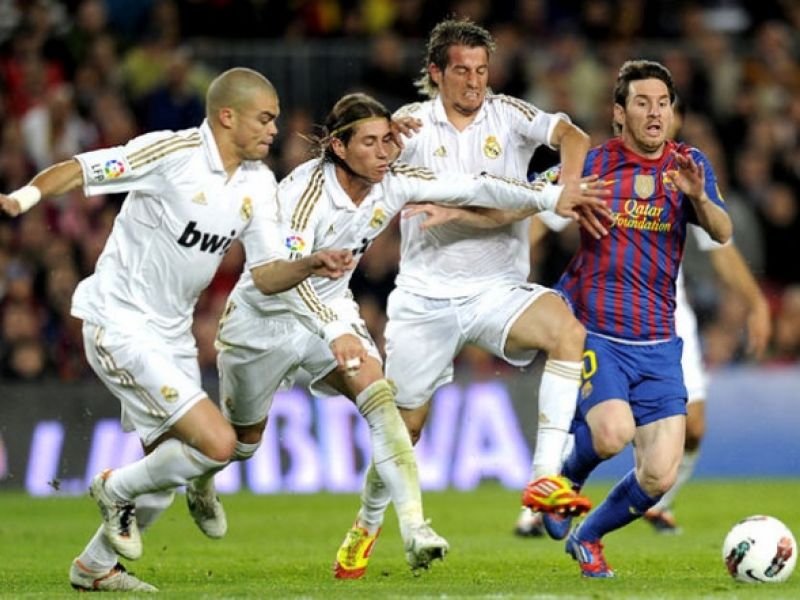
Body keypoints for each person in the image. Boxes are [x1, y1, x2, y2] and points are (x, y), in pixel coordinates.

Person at [186, 91, 612, 579]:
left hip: (331, 310)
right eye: (370, 143)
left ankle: (411, 529)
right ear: (340, 147)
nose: (384, 152)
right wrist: (333, 328)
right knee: (240, 443)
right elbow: (282, 277)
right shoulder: (303, 194)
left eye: (387, 141)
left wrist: (549, 197)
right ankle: (199, 478)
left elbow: (476, 184)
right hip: (265, 320)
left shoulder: (393, 179)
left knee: (383, 406)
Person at [0, 67, 353, 592]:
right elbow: (81, 168)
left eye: (275, 119)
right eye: (264, 118)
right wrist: (23, 198)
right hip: (118, 322)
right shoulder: (172, 154)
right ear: (227, 117)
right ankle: (114, 489)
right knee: (217, 444)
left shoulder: (258, 183)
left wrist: (309, 264)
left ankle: (94, 568)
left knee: (168, 476)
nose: (274, 130)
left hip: (173, 336)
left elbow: (265, 273)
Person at [413, 59, 733, 578]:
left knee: (659, 475)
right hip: (595, 329)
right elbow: (523, 203)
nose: (655, 113)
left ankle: (589, 537)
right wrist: (461, 214)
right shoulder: (594, 164)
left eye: (663, 103)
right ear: (619, 113)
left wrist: (699, 197)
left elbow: (721, 230)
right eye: (643, 103)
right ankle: (565, 479)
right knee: (611, 433)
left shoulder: (687, 166)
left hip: (658, 341)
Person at [334, 18, 606, 577]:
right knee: (406, 428)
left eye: (482, 70)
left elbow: (574, 136)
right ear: (436, 73)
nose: (475, 82)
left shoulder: (510, 115)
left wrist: (569, 186)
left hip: (496, 290)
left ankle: (544, 479)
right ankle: (367, 522)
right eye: (462, 71)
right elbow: (366, 165)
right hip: (426, 297)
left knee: (567, 332)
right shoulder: (409, 127)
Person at [642, 229, 771, 533]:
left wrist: (756, 303)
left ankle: (659, 505)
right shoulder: (601, 193)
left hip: (670, 314)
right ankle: (545, 501)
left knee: (693, 427)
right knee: (601, 426)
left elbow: (720, 244)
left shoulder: (689, 195)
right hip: (607, 310)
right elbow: (548, 217)